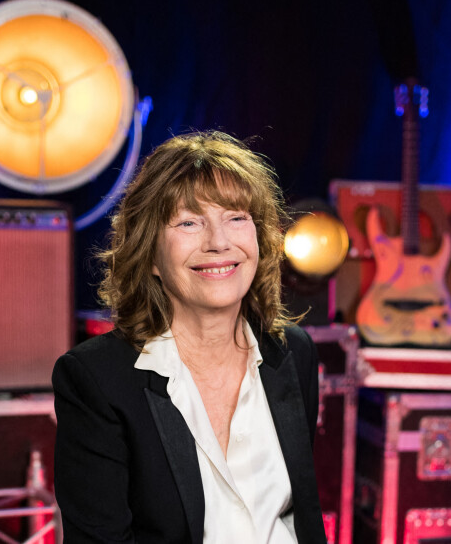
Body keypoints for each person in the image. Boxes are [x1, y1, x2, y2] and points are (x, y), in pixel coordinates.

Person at [52, 131, 327, 544]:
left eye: (236, 217)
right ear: (150, 254)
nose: (219, 242)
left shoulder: (292, 352)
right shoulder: (97, 380)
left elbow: (299, 519)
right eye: (188, 222)